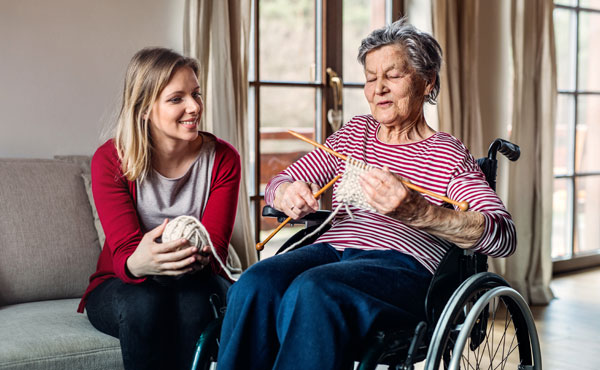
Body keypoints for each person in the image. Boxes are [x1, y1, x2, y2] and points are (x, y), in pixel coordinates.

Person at [217, 19, 516, 370]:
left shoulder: (446, 153)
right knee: (256, 283)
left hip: (404, 266)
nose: (379, 89)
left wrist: (419, 211)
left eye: (393, 76)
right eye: (371, 78)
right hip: (331, 250)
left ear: (427, 81)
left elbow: (502, 235)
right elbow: (283, 180)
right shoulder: (355, 133)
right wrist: (287, 193)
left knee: (315, 291)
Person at [77, 47, 241, 370]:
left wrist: (180, 258)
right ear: (144, 109)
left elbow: (214, 251)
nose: (194, 107)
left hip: (197, 279)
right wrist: (143, 260)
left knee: (195, 302)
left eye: (196, 94)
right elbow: (126, 255)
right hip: (123, 282)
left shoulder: (223, 160)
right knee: (146, 303)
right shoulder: (110, 160)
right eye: (177, 98)